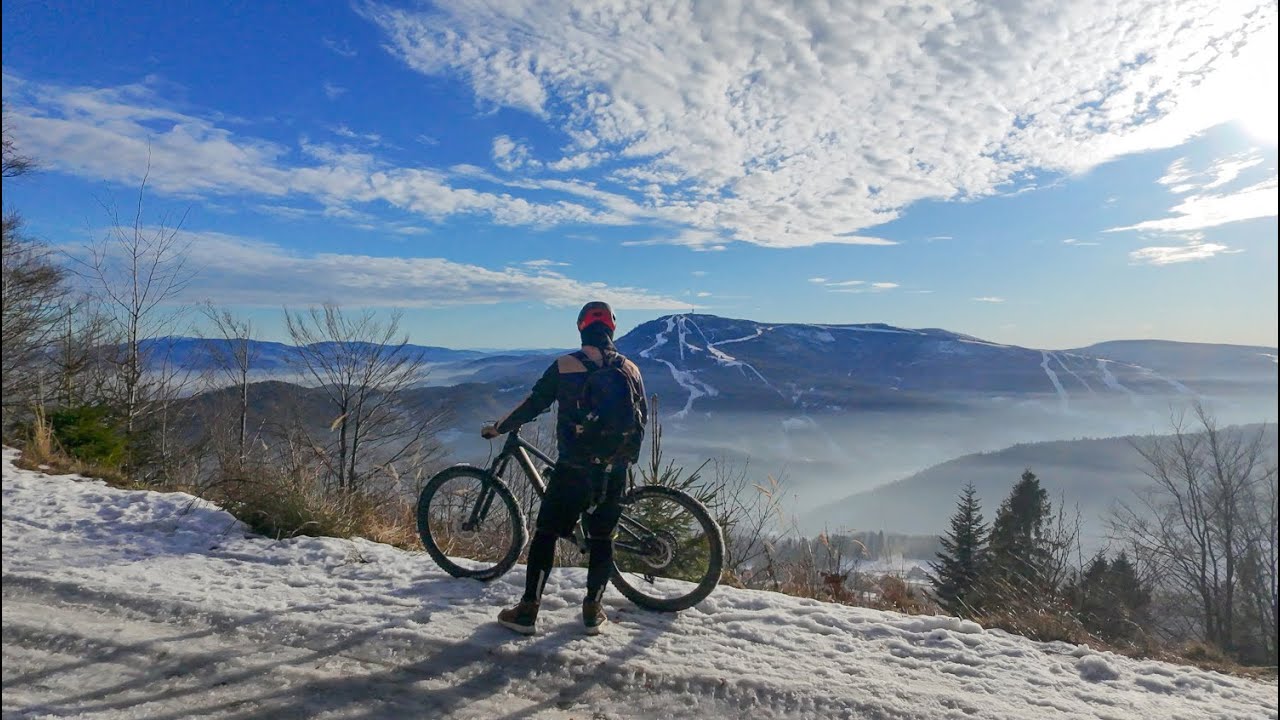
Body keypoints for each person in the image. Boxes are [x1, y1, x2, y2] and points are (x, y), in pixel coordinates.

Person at [480, 301, 648, 635]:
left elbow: (534, 403)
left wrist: (499, 427)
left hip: (574, 466)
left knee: (546, 534)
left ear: (580, 327)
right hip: (614, 469)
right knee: (603, 537)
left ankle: (528, 611)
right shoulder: (630, 369)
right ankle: (592, 611)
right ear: (611, 329)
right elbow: (640, 415)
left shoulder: (566, 365)